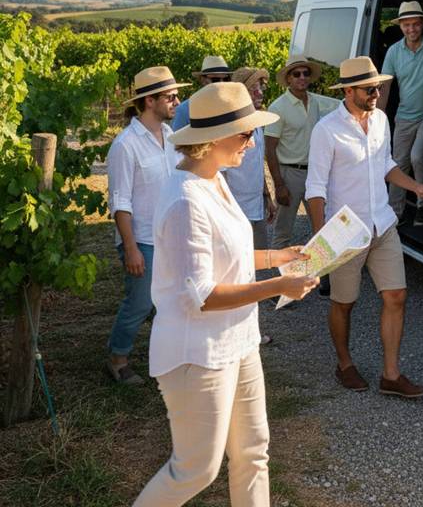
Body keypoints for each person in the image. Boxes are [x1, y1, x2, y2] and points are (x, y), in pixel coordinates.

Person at [133, 81, 318, 507]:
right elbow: (204, 294)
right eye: (245, 134)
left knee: (254, 453)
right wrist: (280, 285)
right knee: (196, 468)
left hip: (238, 341)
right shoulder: (185, 201)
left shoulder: (216, 182)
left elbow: (229, 253)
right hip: (197, 353)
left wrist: (278, 256)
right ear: (212, 140)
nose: (252, 144)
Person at [306, 56, 423, 398]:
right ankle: (345, 364)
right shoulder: (326, 130)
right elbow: (315, 188)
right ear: (348, 91)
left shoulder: (380, 119)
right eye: (369, 89)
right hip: (346, 231)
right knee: (344, 303)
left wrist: (416, 188)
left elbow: (387, 165)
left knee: (396, 295)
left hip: (382, 223)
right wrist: (321, 241)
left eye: (378, 86)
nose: (376, 93)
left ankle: (391, 375)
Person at [106, 66, 190, 385]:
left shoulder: (171, 137)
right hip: (141, 239)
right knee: (140, 303)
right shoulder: (125, 145)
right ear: (150, 101)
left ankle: (168, 358)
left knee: (170, 303)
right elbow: (120, 202)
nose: (177, 101)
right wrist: (130, 249)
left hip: (171, 238)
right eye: (170, 96)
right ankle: (117, 358)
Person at [265, 55, 339, 251]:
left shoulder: (315, 102)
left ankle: (323, 278)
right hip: (290, 175)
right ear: (288, 79)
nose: (302, 77)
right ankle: (277, 280)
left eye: (306, 73)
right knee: (283, 232)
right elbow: (269, 149)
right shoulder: (277, 107)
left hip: (315, 174)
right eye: (296, 74)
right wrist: (279, 185)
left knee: (322, 228)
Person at [379, 1, 423, 225]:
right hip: (404, 116)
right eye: (406, 25)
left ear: (422, 24)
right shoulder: (393, 52)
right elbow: (385, 87)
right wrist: (377, 118)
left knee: (417, 157)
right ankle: (395, 214)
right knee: (397, 164)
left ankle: (422, 207)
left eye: (415, 24)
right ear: (400, 26)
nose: (411, 29)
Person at [223, 67, 277, 251]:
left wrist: (267, 196)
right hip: (235, 209)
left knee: (258, 258)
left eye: (260, 86)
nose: (259, 92)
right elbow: (220, 174)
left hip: (256, 206)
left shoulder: (257, 123)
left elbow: (256, 165)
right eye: (251, 88)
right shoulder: (230, 127)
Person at [172, 55, 232, 131]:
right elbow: (176, 141)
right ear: (203, 80)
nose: (222, 83)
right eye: (215, 79)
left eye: (226, 79)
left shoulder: (232, 107)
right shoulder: (185, 110)